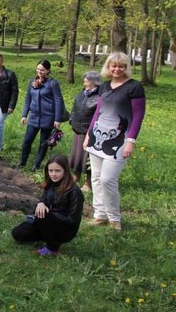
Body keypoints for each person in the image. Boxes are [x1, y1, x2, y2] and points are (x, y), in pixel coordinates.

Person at [84, 52, 145, 231]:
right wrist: (89, 133)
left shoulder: (134, 87)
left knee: (108, 179)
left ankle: (114, 218)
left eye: (121, 66)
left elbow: (138, 116)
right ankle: (100, 215)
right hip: (97, 136)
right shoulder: (104, 86)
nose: (117, 69)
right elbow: (98, 111)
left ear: (126, 68)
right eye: (114, 66)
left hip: (119, 139)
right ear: (108, 67)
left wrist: (131, 141)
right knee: (95, 177)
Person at [11, 155, 84, 257]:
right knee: (18, 233)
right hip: (46, 221)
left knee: (43, 214)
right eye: (51, 170)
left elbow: (73, 220)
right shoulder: (50, 185)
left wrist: (50, 214)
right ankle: (48, 236)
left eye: (57, 171)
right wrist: (40, 204)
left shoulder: (74, 191)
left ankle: (53, 248)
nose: (53, 174)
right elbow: (43, 202)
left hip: (65, 229)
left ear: (65, 171)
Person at [19, 59, 65, 171]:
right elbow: (28, 99)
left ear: (48, 71)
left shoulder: (53, 83)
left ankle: (36, 165)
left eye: (42, 70)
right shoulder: (32, 82)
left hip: (48, 118)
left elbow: (59, 101)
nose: (39, 71)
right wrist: (24, 115)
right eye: (38, 69)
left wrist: (57, 119)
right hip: (34, 117)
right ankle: (22, 162)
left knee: (43, 143)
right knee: (27, 141)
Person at [68, 71, 101, 192]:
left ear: (93, 81)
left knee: (88, 158)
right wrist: (71, 119)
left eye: (86, 79)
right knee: (77, 155)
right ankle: (75, 177)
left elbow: (98, 116)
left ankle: (88, 183)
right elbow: (74, 108)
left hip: (90, 132)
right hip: (78, 130)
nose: (84, 81)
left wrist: (91, 130)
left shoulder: (99, 97)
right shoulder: (81, 93)